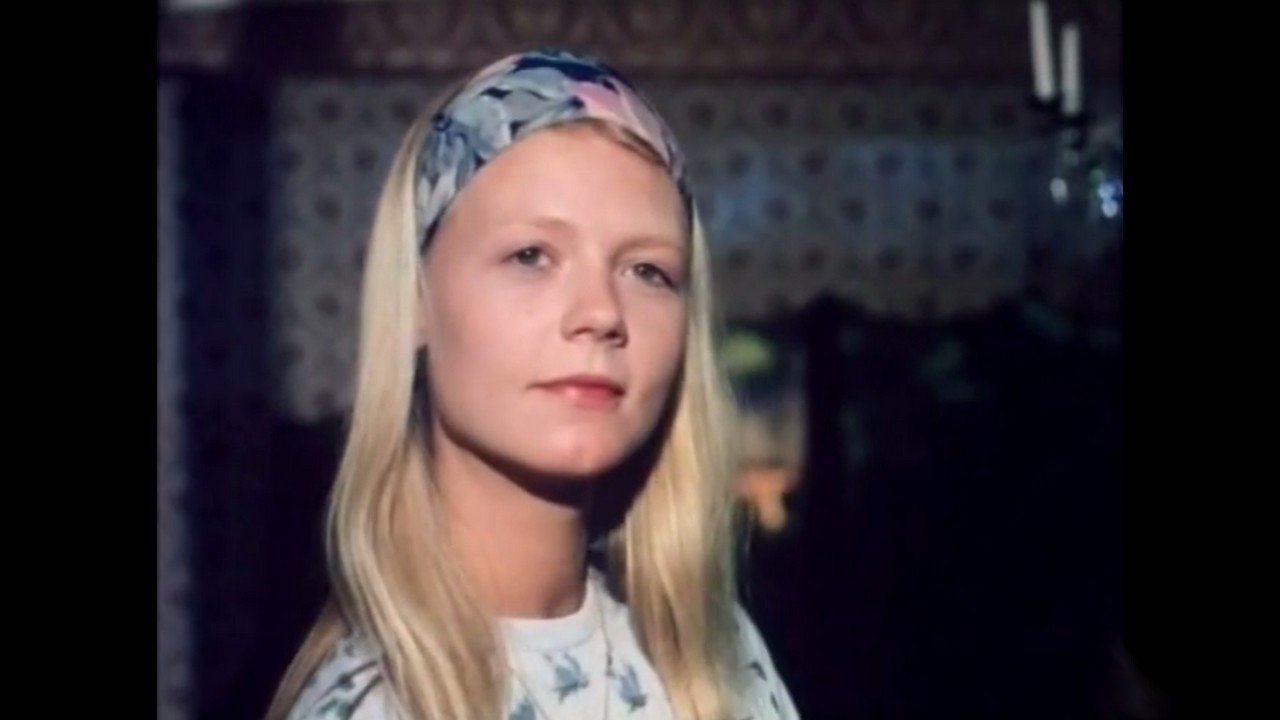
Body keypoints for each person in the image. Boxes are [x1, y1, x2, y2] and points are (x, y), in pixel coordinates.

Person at [266, 48, 799, 720]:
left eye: (648, 271)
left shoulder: (717, 660)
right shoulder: (373, 705)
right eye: (530, 256)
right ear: (416, 300)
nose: (601, 312)